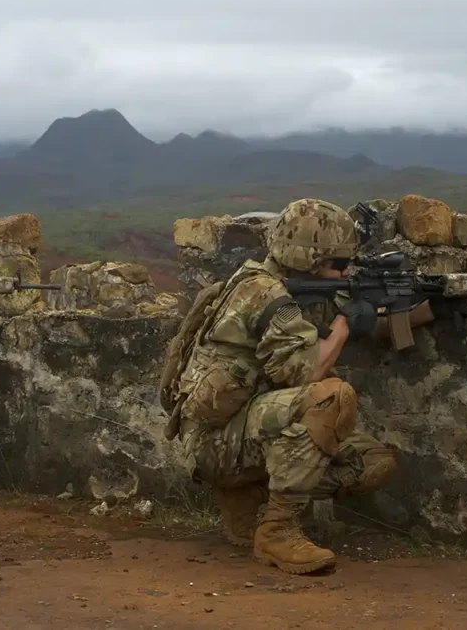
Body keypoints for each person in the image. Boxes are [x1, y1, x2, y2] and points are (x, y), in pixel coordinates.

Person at [169, 198, 434, 574]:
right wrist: (345, 323)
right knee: (330, 397)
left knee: (371, 463)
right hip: (215, 443)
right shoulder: (264, 294)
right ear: (310, 260)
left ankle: (247, 497)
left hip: (250, 428)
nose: (346, 272)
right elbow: (309, 373)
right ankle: (278, 531)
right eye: (339, 264)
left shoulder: (300, 289)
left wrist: (427, 310)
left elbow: (368, 324)